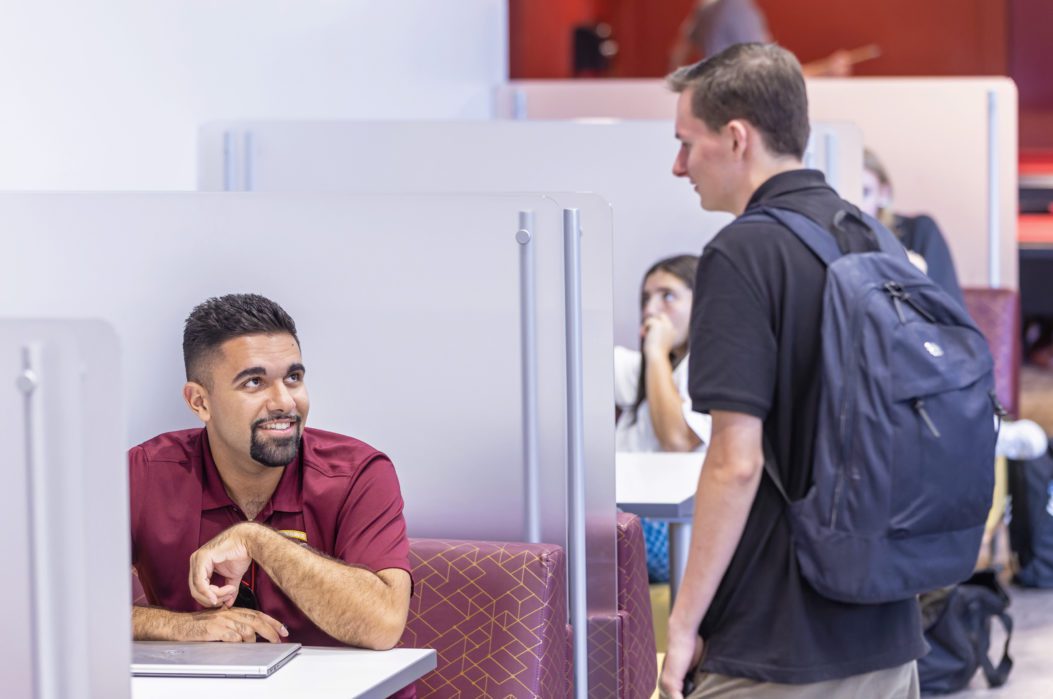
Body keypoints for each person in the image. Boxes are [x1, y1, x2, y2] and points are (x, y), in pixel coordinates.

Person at [659, 44, 925, 698]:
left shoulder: (741, 253)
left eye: (685, 143)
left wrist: (682, 625)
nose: (677, 166)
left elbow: (735, 461)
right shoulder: (870, 237)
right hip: (887, 623)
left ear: (735, 137)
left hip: (777, 641)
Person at [130, 294, 414, 691]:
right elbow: (52, 614)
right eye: (254, 382)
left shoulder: (358, 474)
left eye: (293, 378)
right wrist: (180, 626)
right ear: (200, 402)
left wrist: (256, 540)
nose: (284, 402)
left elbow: (383, 624)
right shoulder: (144, 474)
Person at [615, 254, 712, 581]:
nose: (650, 310)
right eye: (646, 298)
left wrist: (656, 350)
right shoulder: (636, 370)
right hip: (627, 516)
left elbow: (677, 439)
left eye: (667, 296)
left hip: (673, 525)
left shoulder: (709, 366)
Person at [861, 147, 966, 307]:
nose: (855, 203)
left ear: (884, 193)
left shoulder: (919, 231)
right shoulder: (828, 241)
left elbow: (947, 309)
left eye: (864, 192)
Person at [669, 0, 856, 77]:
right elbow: (771, 74)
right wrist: (826, 70)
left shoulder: (705, 9)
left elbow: (676, 55)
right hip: (743, 105)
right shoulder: (737, 9)